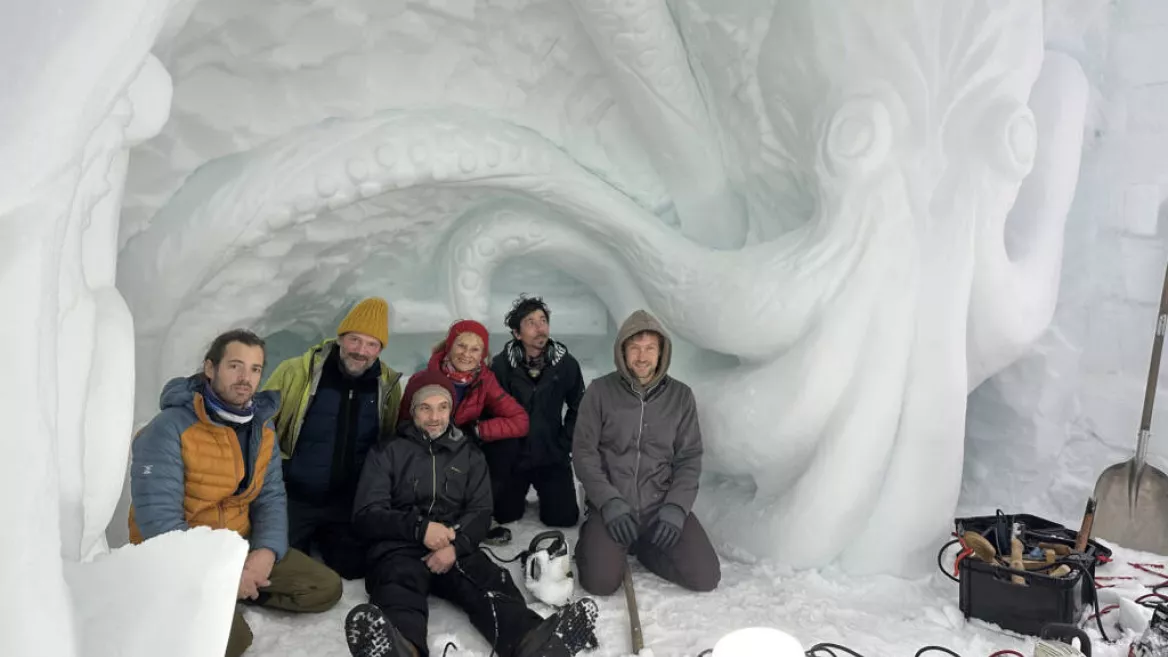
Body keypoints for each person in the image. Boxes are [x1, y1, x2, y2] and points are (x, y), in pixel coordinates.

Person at [344, 371, 599, 657]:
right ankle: (401, 649)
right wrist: (420, 528)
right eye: (425, 408)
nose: (434, 416)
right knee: (397, 588)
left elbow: (480, 511)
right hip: (399, 545)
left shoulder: (468, 453)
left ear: (451, 410)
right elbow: (367, 513)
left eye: (442, 407)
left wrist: (457, 547)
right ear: (412, 411)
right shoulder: (387, 451)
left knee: (490, 583)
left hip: (454, 544)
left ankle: (533, 643)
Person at [128, 329, 342, 657]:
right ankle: (202, 598)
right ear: (210, 369)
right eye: (235, 366)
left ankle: (232, 593)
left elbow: (270, 496)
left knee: (323, 589)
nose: (246, 378)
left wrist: (264, 554)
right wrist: (224, 574)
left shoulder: (262, 425)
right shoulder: (169, 428)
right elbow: (159, 524)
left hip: (237, 543)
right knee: (231, 641)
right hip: (181, 557)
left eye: (255, 369)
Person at [572, 310, 721, 595]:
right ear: (622, 351)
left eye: (650, 348)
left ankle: (644, 548)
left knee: (705, 577)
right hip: (612, 507)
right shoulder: (600, 391)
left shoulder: (680, 396)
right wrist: (608, 502)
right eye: (635, 348)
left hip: (659, 507)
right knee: (600, 583)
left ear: (661, 352)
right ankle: (593, 539)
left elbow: (689, 458)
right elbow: (583, 453)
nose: (642, 357)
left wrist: (676, 508)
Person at [263, 297, 404, 580]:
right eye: (354, 340)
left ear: (380, 349)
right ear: (340, 338)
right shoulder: (297, 372)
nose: (361, 351)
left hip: (346, 501)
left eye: (371, 344)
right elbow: (261, 427)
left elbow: (387, 438)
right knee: (282, 567)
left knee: (354, 567)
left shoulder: (386, 384)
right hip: (296, 494)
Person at [487, 296, 585, 545]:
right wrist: (501, 452)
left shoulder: (566, 364)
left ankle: (552, 493)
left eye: (543, 320)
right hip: (513, 457)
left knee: (564, 518)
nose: (540, 327)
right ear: (516, 333)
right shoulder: (499, 366)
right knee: (503, 515)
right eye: (530, 322)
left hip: (551, 454)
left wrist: (564, 443)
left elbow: (578, 407)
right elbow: (489, 410)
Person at [397, 319, 528, 451]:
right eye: (461, 346)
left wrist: (477, 431)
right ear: (449, 346)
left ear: (482, 355)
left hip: (460, 450)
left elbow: (520, 421)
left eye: (475, 349)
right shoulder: (421, 379)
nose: (466, 354)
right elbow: (403, 424)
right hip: (424, 448)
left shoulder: (485, 381)